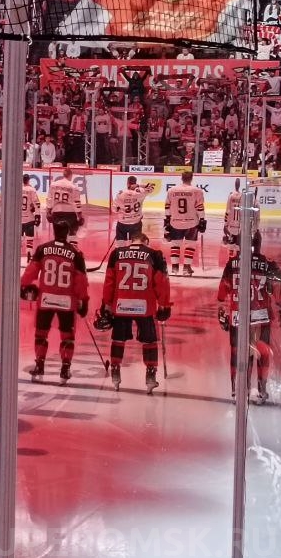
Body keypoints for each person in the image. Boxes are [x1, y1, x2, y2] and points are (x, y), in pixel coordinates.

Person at [96, 227, 171, 392]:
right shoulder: (154, 255)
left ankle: (115, 372)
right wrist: (164, 305)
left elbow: (109, 282)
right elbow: (161, 282)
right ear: (146, 242)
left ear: (131, 242)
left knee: (118, 339)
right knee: (149, 340)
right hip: (145, 306)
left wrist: (106, 304)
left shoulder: (116, 254)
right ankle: (150, 376)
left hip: (121, 305)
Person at [217, 232, 281, 402]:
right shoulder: (269, 264)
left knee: (239, 353)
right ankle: (262, 390)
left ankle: (238, 389)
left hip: (238, 316)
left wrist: (222, 313)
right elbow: (279, 292)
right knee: (262, 353)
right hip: (261, 316)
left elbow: (222, 293)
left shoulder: (232, 264)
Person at [20, 221, 89, 383]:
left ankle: (39, 365)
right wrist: (83, 300)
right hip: (67, 301)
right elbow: (81, 281)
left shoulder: (42, 249)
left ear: (54, 231)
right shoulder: (76, 253)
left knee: (41, 334)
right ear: (67, 233)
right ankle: (65, 369)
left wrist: (23, 285)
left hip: (46, 299)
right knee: (67, 336)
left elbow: (31, 271)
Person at [164, 171, 206, 275]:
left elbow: (167, 206)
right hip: (192, 222)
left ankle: (174, 268)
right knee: (190, 245)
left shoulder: (171, 190)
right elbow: (199, 207)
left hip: (175, 221)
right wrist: (202, 219)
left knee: (175, 244)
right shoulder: (197, 191)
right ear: (191, 178)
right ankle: (186, 268)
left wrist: (168, 219)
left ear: (181, 178)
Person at [46, 165, 83, 238]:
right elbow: (77, 202)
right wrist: (80, 216)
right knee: (72, 235)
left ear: (63, 174)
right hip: (70, 213)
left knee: (58, 236)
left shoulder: (53, 184)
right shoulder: (74, 187)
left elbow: (49, 199)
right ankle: (72, 243)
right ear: (71, 175)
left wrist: (48, 212)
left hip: (56, 212)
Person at [112, 176, 145, 247]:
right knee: (135, 244)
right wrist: (138, 185)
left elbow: (114, 209)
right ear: (135, 183)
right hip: (136, 222)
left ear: (127, 183)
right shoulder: (141, 193)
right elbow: (151, 187)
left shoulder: (120, 194)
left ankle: (120, 252)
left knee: (120, 245)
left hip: (122, 223)